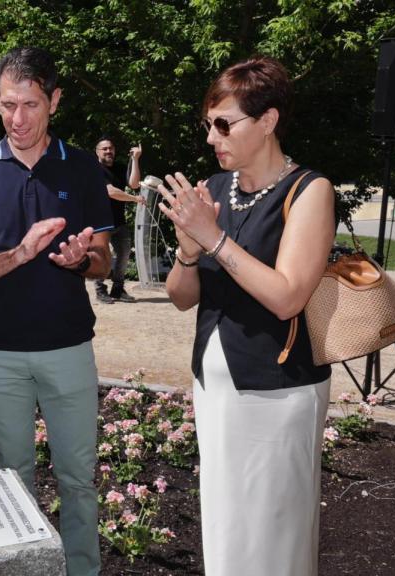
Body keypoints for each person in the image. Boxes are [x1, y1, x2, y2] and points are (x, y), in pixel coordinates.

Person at [158, 56, 334, 576]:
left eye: (223, 124)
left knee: (273, 534)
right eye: (208, 124)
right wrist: (189, 251)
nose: (212, 137)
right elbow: (180, 297)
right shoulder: (213, 191)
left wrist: (213, 238)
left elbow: (287, 297)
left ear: (268, 121)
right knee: (227, 527)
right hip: (217, 390)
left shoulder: (309, 191)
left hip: (278, 392)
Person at [0, 46, 112, 576]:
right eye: (8, 104)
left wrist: (83, 259)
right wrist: (20, 254)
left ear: (54, 101)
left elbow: (105, 261)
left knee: (78, 480)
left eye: (31, 105)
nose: (18, 119)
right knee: (11, 477)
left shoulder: (83, 168)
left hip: (68, 347)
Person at [93, 136, 144, 303]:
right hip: (100, 221)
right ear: (97, 152)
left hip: (119, 220)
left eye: (111, 148)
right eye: (104, 148)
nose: (108, 151)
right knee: (102, 256)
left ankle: (118, 289)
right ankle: (100, 291)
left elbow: (134, 184)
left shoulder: (120, 167)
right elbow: (110, 191)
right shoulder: (94, 169)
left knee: (123, 254)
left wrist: (135, 160)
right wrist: (134, 199)